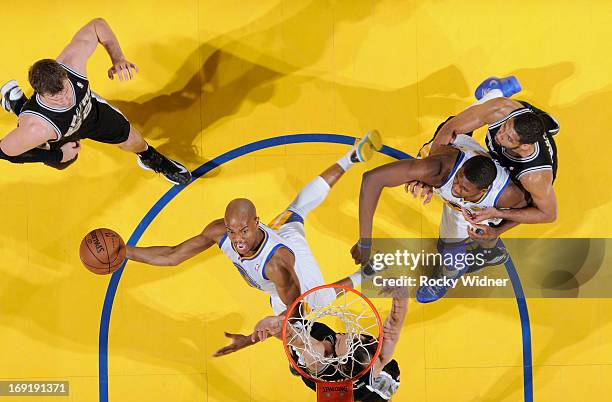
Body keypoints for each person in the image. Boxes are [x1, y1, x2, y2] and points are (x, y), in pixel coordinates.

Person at [126, 131, 383, 344]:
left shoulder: (277, 265)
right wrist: (126, 252)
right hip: (280, 241)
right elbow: (172, 256)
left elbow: (294, 313)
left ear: (256, 222)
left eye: (243, 231)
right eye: (232, 230)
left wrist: (265, 329)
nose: (237, 239)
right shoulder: (221, 232)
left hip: (290, 262)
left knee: (313, 305)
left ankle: (366, 272)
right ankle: (351, 159)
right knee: (297, 209)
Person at [0, 18, 191, 185]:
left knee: (132, 138)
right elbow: (5, 151)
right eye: (57, 97)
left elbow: (97, 25)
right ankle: (19, 105)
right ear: (41, 94)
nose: (66, 98)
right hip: (58, 133)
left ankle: (149, 158)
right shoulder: (37, 128)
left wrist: (118, 59)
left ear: (64, 73)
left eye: (65, 89)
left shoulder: (72, 63)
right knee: (66, 162)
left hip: (89, 113)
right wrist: (58, 155)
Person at [352, 133, 528, 303]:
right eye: (457, 180)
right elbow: (372, 179)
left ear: (483, 191)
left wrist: (498, 230)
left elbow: (526, 211)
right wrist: (365, 241)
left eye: (463, 189)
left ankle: (452, 273)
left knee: (449, 250)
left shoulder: (507, 194)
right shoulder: (438, 169)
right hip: (448, 167)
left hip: (479, 210)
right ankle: (491, 253)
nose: (456, 189)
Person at [428, 76, 559, 235]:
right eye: (504, 127)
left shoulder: (534, 178)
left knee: (479, 202)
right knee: (475, 117)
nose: (500, 135)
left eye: (508, 138)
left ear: (524, 145)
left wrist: (497, 225)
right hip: (507, 118)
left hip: (515, 170)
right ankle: (496, 92)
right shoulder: (502, 111)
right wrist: (429, 171)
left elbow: (548, 214)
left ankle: (546, 122)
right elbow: (451, 127)